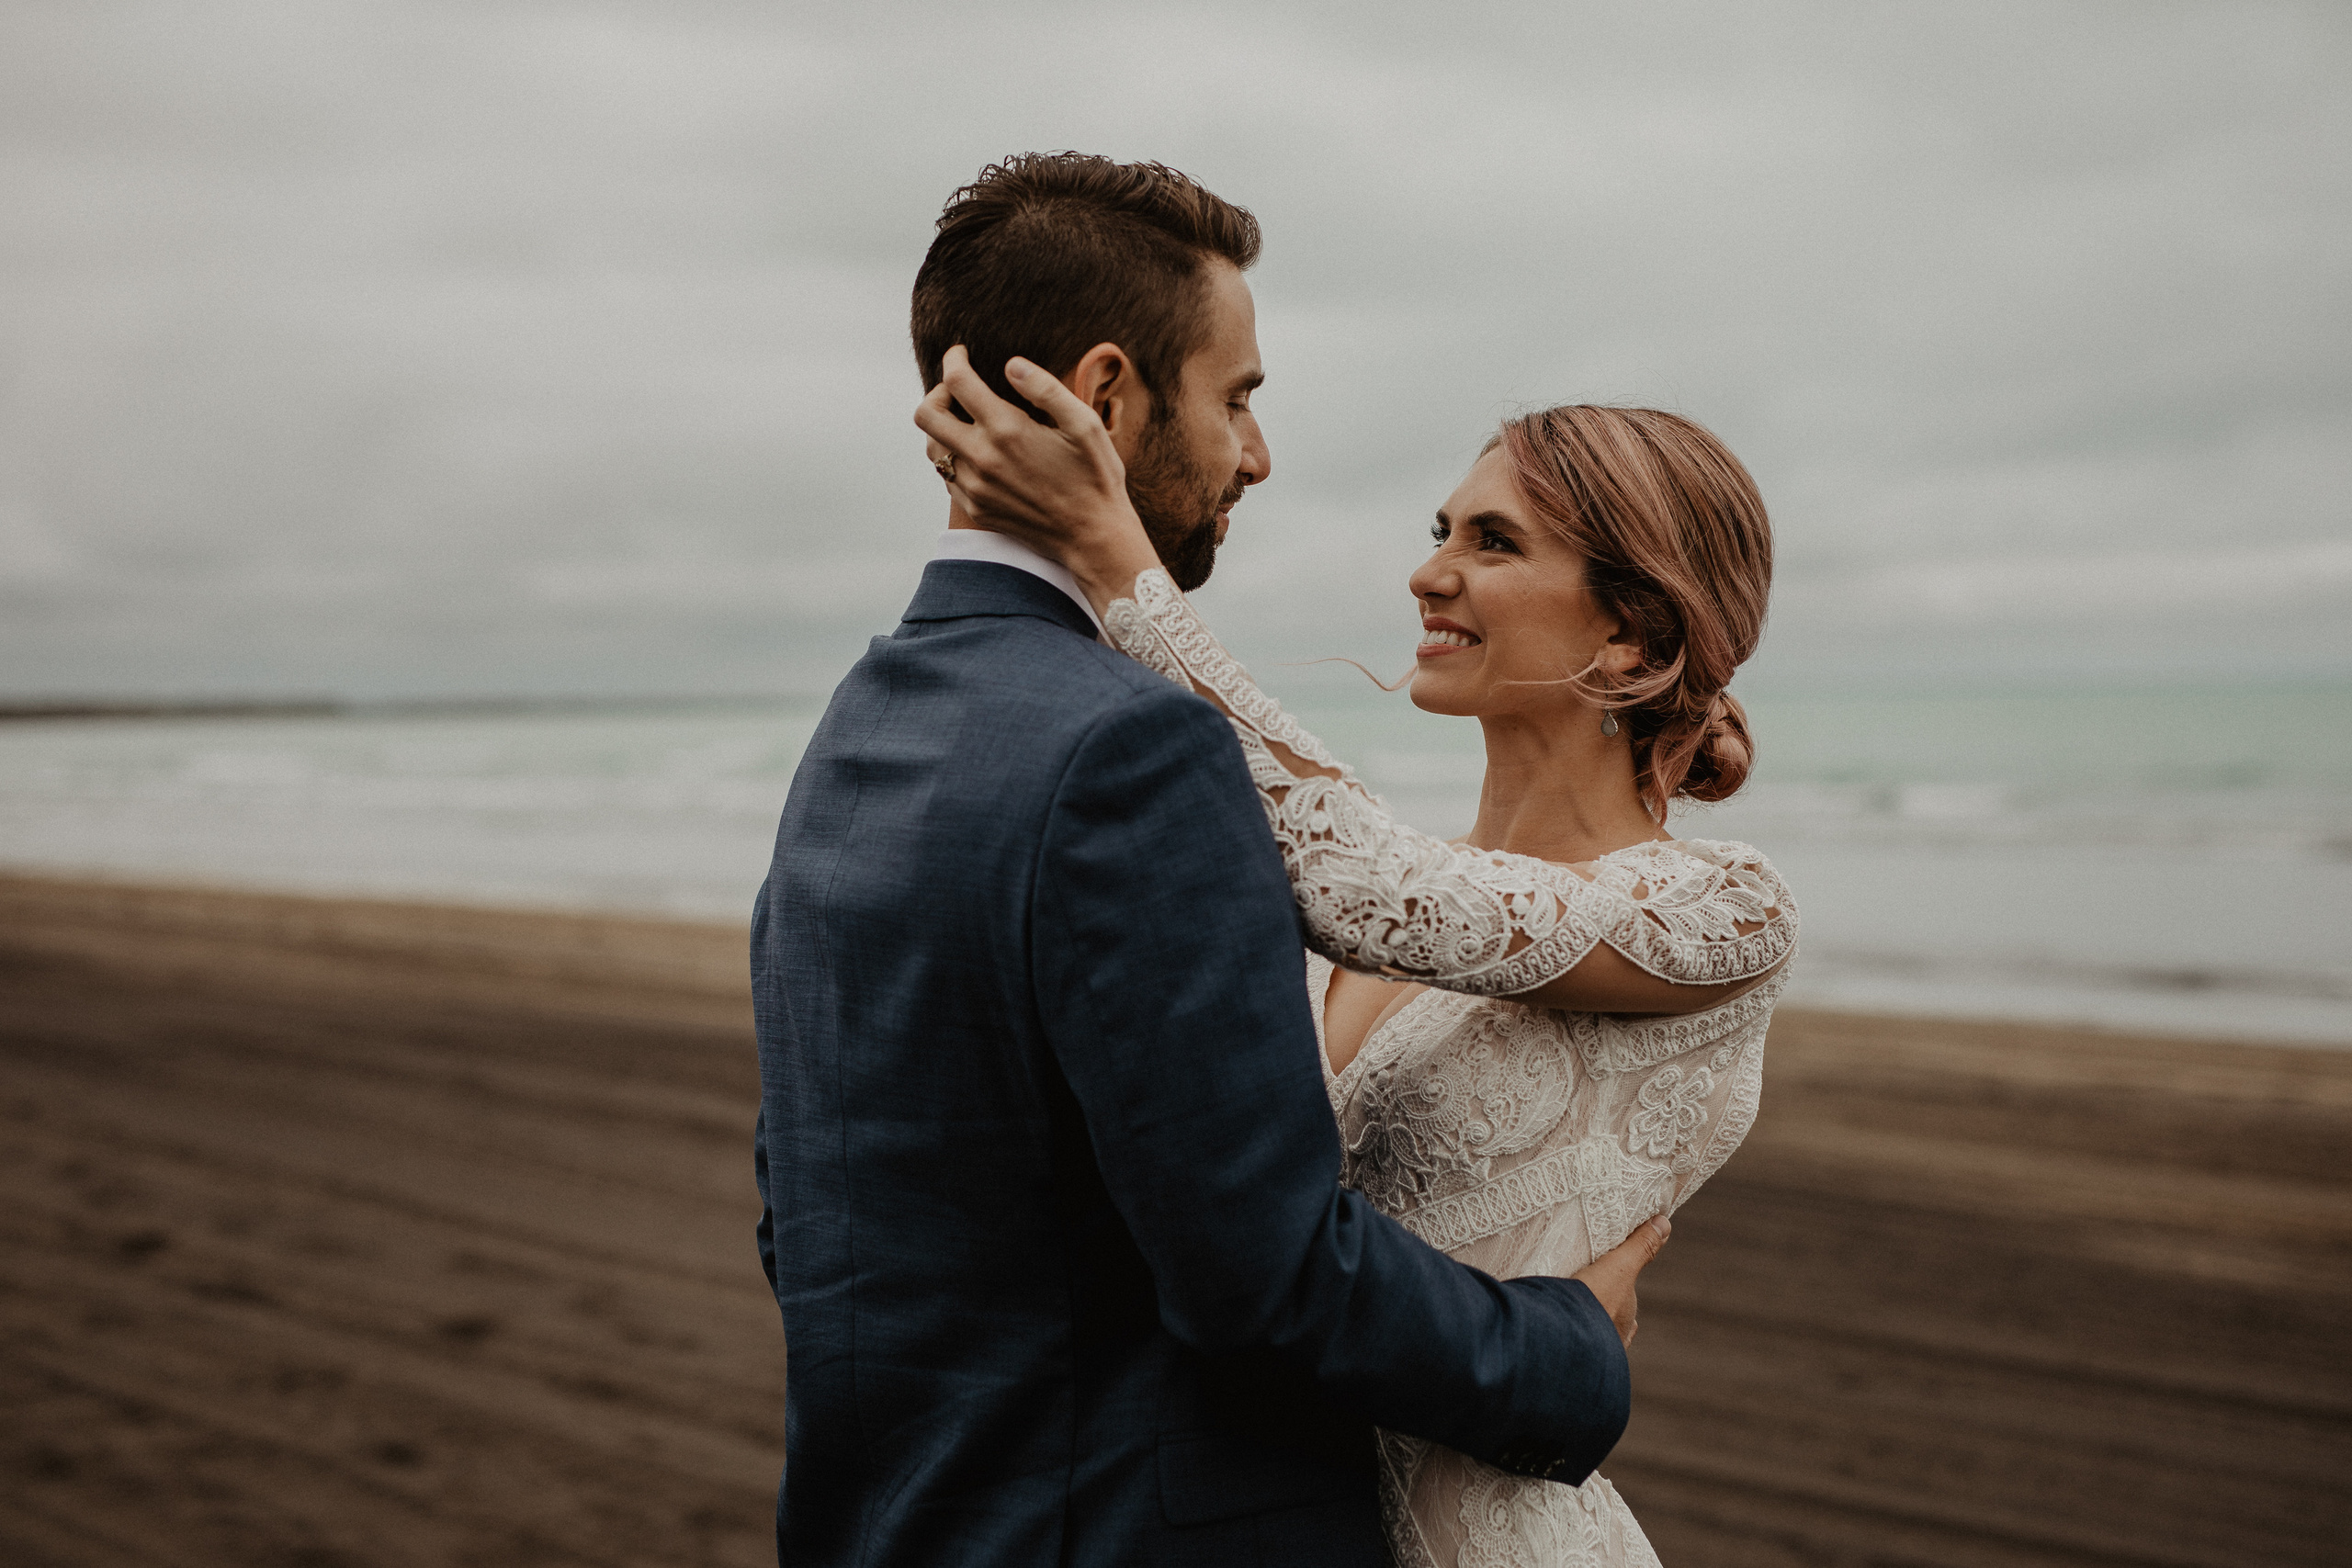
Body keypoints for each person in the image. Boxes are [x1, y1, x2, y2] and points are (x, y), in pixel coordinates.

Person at [751, 153, 1677, 1568]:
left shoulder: (858, 730)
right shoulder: (1133, 752)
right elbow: (1266, 1280)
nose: (1258, 455)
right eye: (1238, 397)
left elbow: (815, 1223)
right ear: (1110, 395)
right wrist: (1567, 1352)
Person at [915, 353, 1794, 1563]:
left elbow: (1360, 880)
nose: (1428, 572)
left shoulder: (1724, 911)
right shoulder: (1383, 937)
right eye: (1441, 530)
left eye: (1492, 542)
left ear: (1633, 636)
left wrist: (1115, 559)